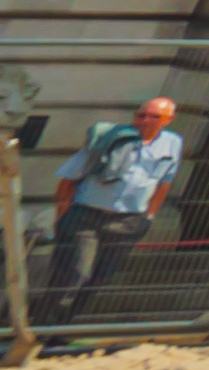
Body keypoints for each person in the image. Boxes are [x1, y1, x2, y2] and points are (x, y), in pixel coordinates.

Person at [43, 95, 182, 327]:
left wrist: (149, 216)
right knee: (75, 274)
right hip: (86, 217)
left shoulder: (172, 143)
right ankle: (44, 328)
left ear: (168, 120)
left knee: (100, 278)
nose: (145, 120)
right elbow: (67, 179)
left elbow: (164, 183)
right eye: (141, 115)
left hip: (128, 221)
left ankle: (63, 329)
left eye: (155, 117)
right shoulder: (109, 138)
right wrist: (63, 216)